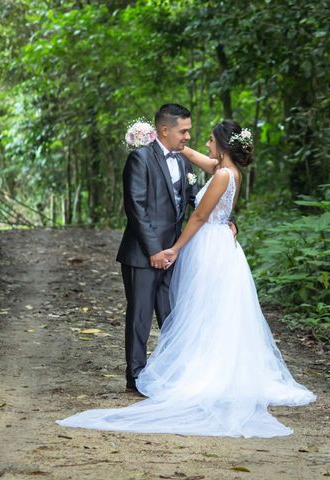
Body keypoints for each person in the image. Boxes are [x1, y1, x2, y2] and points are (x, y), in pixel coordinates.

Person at [57, 120, 316, 437]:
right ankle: (193, 367)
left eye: (209, 139)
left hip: (208, 245)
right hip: (218, 244)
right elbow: (197, 160)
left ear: (221, 144)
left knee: (200, 309)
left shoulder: (222, 174)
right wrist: (165, 141)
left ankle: (204, 373)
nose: (203, 142)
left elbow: (199, 215)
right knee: (204, 311)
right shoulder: (226, 169)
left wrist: (176, 249)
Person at [114, 104, 199, 394]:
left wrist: (227, 218)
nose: (188, 136)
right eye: (183, 131)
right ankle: (135, 377)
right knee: (140, 315)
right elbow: (135, 207)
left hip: (173, 252)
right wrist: (153, 250)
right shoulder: (140, 158)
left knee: (171, 314)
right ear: (165, 130)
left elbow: (197, 197)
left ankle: (174, 373)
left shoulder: (184, 162)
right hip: (142, 254)